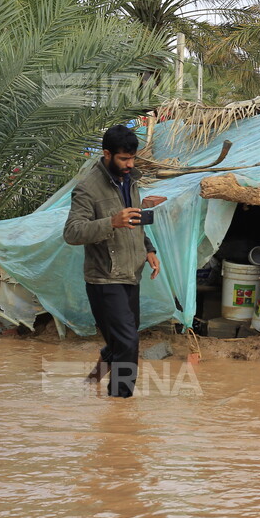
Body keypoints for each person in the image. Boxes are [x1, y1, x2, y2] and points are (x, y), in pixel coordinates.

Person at [63, 125, 165, 398]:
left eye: (132, 158)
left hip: (132, 274)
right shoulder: (87, 189)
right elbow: (72, 233)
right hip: (105, 279)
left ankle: (89, 384)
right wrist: (111, 222)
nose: (130, 164)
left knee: (121, 341)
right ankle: (121, 404)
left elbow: (134, 219)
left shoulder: (129, 180)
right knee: (128, 342)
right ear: (106, 154)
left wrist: (149, 249)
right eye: (124, 159)